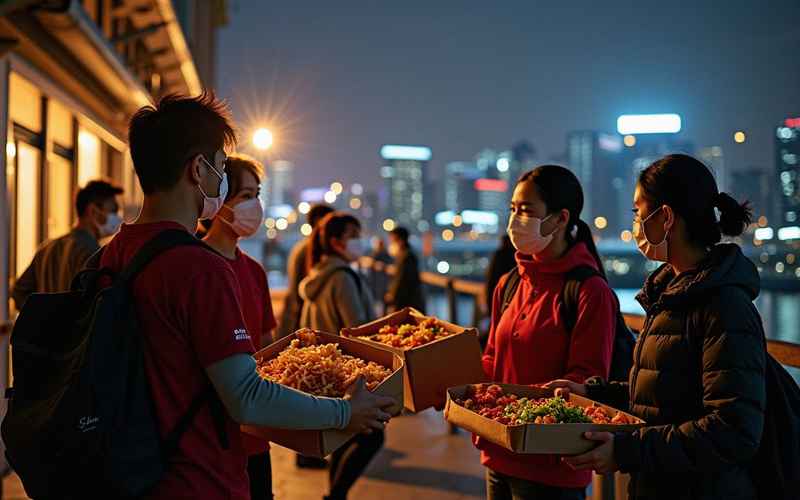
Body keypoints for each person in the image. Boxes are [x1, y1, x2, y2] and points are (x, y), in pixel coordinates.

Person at [99, 92, 394, 500]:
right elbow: (246, 397)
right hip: (197, 480)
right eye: (221, 167)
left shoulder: (110, 254)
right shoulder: (199, 268)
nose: (221, 179)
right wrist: (346, 412)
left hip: (127, 472)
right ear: (198, 170)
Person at [547, 154, 767, 500]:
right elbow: (661, 394)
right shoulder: (670, 295)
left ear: (665, 217)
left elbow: (733, 430)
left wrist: (626, 450)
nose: (635, 224)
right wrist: (591, 394)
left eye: (638, 212)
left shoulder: (724, 307)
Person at [480, 165, 617, 500]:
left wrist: (527, 416)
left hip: (552, 468)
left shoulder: (589, 291)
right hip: (498, 452)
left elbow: (586, 380)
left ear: (560, 219)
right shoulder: (509, 283)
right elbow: (492, 360)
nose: (515, 220)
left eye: (526, 210)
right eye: (513, 209)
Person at [202, 154, 275, 500]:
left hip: (256, 436)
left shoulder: (255, 272)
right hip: (208, 440)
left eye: (257, 195)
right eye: (245, 196)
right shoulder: (195, 267)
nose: (255, 206)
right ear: (219, 200)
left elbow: (268, 349)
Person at [298, 212, 382, 500]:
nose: (360, 241)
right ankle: (335, 496)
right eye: (353, 236)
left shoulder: (317, 275)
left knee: (343, 440)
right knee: (373, 436)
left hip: (327, 374)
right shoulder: (344, 278)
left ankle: (335, 495)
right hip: (350, 376)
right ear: (336, 242)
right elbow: (356, 330)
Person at [11, 179, 123, 309]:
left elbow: (18, 293)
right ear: (93, 211)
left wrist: (44, 314)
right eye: (113, 210)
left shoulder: (46, 249)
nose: (118, 217)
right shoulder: (92, 253)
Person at [276, 203, 334, 340]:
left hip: (295, 315)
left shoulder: (302, 247)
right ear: (319, 222)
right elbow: (300, 289)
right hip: (298, 318)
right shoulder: (310, 250)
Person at [385, 226, 425, 313]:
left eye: (393, 240)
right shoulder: (405, 254)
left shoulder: (407, 256)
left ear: (401, 240)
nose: (391, 243)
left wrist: (392, 294)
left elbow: (402, 279)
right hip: (407, 300)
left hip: (407, 301)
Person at [484, 234, 516, 311]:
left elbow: (491, 277)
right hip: (511, 293)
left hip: (498, 289)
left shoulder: (499, 254)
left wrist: (489, 303)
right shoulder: (514, 255)